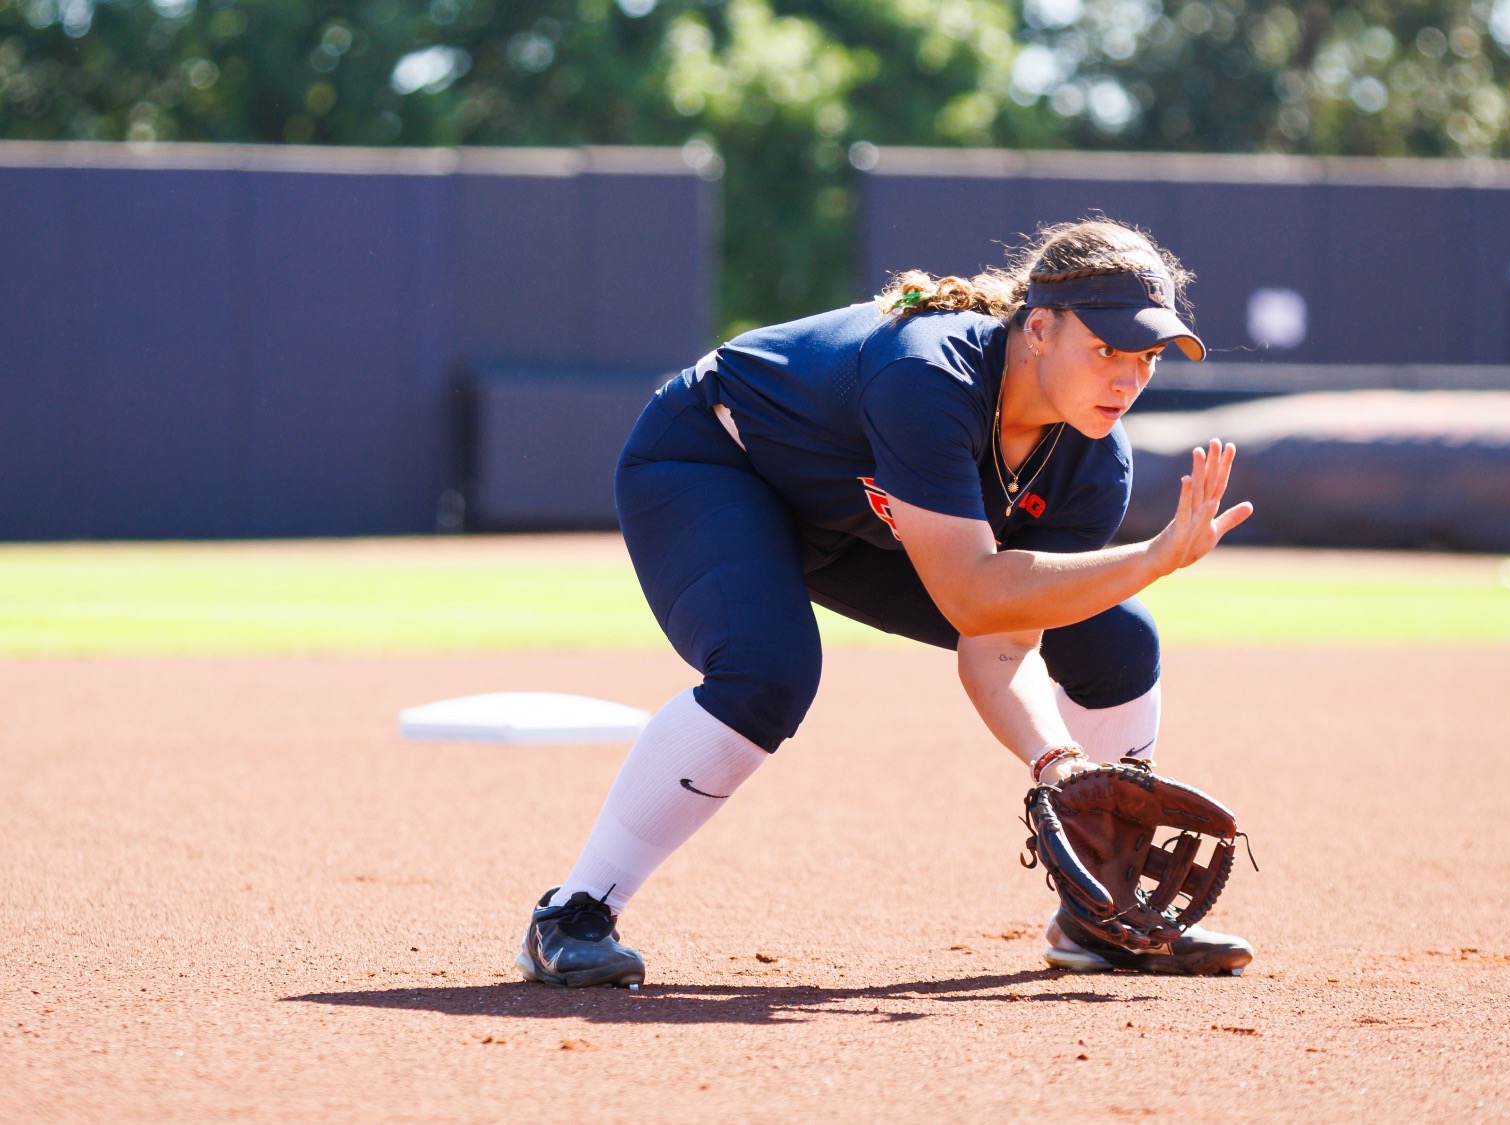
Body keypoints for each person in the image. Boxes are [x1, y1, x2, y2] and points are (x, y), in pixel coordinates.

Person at [516, 218, 1256, 988]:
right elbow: (972, 596)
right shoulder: (930, 373)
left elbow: (1000, 643)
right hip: (712, 461)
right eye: (1106, 349)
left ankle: (1098, 911)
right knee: (766, 672)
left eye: (1146, 358)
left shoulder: (1094, 465)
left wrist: (1057, 761)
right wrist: (1151, 557)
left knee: (1116, 635)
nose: (1128, 378)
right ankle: (573, 913)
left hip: (853, 517)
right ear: (1038, 328)